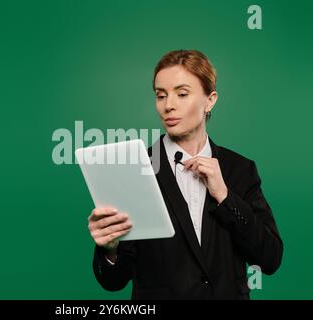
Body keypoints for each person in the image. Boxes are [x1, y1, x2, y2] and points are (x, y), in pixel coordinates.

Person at [87, 49, 283, 299]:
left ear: (210, 100)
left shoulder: (240, 170)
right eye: (161, 95)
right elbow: (114, 281)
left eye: (182, 94)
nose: (168, 105)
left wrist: (225, 195)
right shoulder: (134, 168)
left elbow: (270, 258)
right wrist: (110, 249)